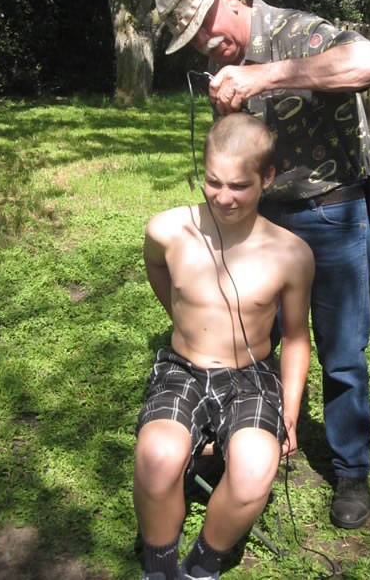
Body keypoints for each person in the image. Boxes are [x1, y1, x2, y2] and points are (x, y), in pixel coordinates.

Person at [155, 0, 370, 530]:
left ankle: (351, 469)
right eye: (193, 41)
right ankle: (251, 438)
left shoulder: (296, 30)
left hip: (331, 210)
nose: (207, 44)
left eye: (206, 26)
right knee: (252, 335)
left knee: (341, 348)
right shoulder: (222, 62)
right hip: (262, 217)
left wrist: (264, 76)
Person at [135, 113, 314, 580]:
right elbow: (157, 268)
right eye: (213, 181)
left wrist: (291, 409)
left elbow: (296, 336)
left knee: (254, 471)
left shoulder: (291, 253)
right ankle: (159, 567)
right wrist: (182, 318)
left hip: (250, 375)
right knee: (157, 458)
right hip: (183, 368)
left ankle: (203, 561)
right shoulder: (166, 230)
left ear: (267, 177)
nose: (223, 197)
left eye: (239, 185)